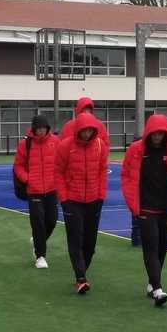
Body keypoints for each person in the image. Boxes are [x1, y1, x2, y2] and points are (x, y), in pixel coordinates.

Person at [121, 114, 167, 307]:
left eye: (161, 133)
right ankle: (158, 289)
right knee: (150, 247)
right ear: (149, 132)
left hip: (165, 207)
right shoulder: (136, 150)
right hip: (145, 208)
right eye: (155, 133)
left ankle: (151, 283)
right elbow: (126, 175)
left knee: (161, 248)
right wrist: (133, 203)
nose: (157, 136)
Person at [55, 112, 109, 293]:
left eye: (90, 130)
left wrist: (101, 195)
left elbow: (102, 172)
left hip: (94, 200)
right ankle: (80, 277)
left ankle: (82, 270)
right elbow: (59, 173)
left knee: (90, 242)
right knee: (75, 238)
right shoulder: (65, 146)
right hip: (72, 200)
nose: (87, 134)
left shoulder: (100, 146)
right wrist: (64, 198)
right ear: (78, 129)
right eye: (84, 130)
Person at [13, 113, 60, 269]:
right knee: (38, 222)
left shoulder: (56, 142)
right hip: (34, 190)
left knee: (52, 221)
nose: (41, 131)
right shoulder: (24, 144)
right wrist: (28, 179)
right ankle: (40, 256)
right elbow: (18, 166)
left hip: (52, 189)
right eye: (38, 128)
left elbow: (61, 163)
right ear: (33, 129)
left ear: (48, 128)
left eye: (43, 128)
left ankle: (38, 241)